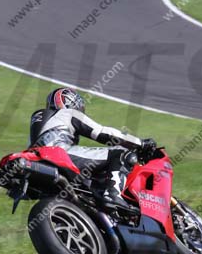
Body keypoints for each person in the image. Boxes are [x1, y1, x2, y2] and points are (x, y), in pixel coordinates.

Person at [29, 87, 157, 210]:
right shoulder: (67, 113)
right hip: (59, 153)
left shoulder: (39, 124)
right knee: (120, 153)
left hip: (38, 163)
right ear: (71, 101)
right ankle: (112, 194)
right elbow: (102, 133)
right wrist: (140, 143)